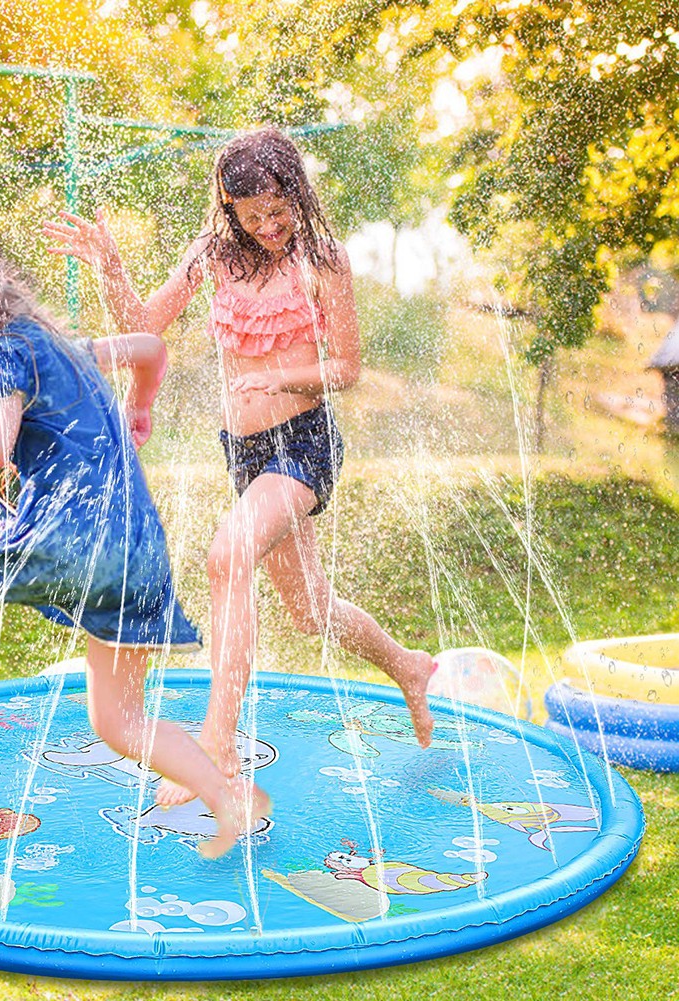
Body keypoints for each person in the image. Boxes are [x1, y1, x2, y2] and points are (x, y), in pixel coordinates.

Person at [0, 228, 270, 858]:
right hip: (134, 545)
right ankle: (226, 798)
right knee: (118, 722)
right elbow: (148, 347)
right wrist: (139, 409)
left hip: (72, 534)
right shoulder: (59, 345)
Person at [44, 127, 436, 806]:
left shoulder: (322, 260)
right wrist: (109, 263)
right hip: (246, 454)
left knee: (227, 555)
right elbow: (143, 321)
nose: (268, 226)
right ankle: (407, 665)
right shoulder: (213, 256)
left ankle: (216, 744)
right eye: (251, 216)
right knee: (309, 608)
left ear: (297, 193)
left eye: (278, 211)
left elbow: (345, 366)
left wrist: (280, 379)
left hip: (301, 441)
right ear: (228, 209)